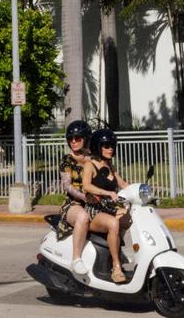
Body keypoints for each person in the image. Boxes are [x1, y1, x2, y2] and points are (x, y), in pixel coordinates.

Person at [82, 128, 131, 284]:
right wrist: (107, 193)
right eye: (106, 145)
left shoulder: (110, 165)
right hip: (94, 210)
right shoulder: (90, 165)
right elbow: (86, 186)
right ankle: (116, 267)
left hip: (110, 208)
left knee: (130, 219)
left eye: (112, 145)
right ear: (98, 147)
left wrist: (142, 191)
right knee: (114, 223)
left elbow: (122, 184)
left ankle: (116, 250)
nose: (111, 149)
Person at [56, 120, 93, 275]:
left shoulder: (94, 158)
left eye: (77, 138)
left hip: (95, 203)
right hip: (73, 204)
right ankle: (76, 259)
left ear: (85, 139)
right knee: (83, 217)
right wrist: (86, 197)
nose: (73, 142)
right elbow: (68, 186)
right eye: (71, 139)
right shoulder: (67, 160)